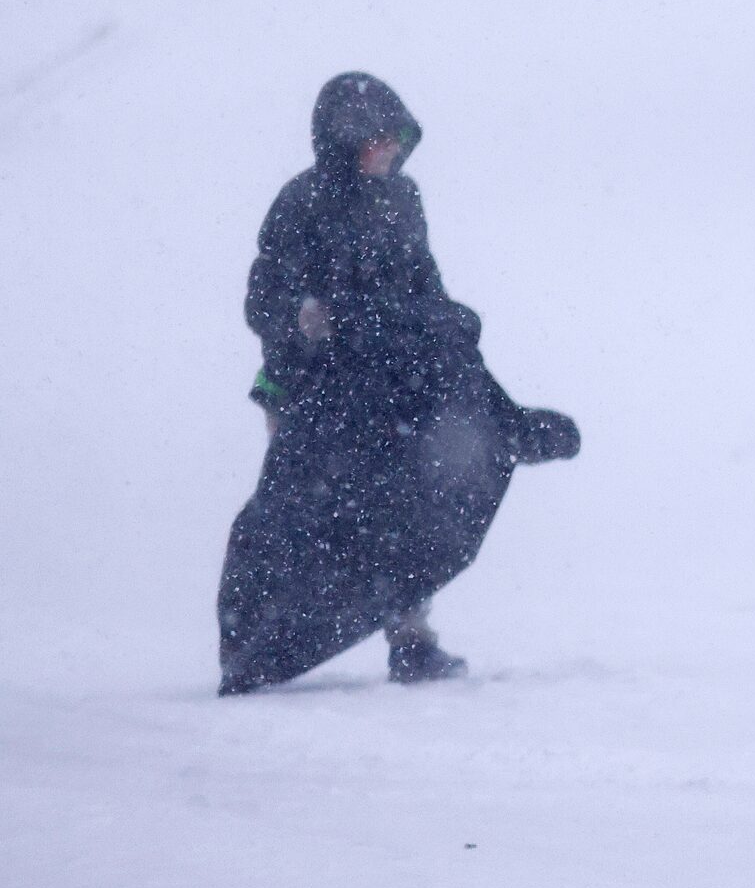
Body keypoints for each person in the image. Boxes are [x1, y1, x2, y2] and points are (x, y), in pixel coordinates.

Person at [219, 72, 572, 694]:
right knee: (310, 512)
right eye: (374, 139)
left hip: (395, 376)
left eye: (394, 138)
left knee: (415, 498)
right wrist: (303, 327)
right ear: (341, 140)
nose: (386, 150)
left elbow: (422, 287)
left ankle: (411, 639)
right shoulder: (302, 202)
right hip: (320, 387)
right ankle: (260, 646)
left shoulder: (402, 199)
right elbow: (264, 299)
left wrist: (451, 347)